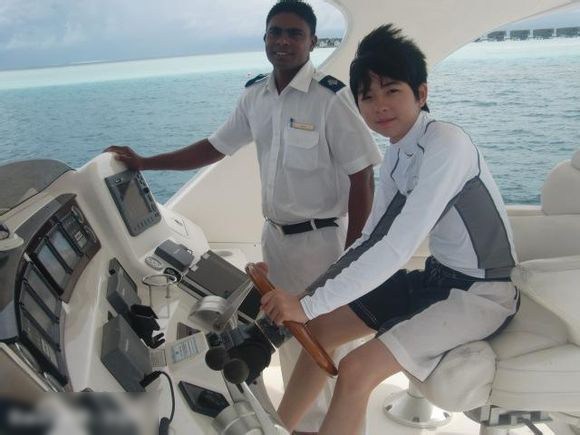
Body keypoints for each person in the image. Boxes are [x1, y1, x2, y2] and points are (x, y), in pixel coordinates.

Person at [105, 1, 381, 432]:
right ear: (265, 39)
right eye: (276, 32)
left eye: (294, 33)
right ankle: (302, 426)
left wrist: (352, 258)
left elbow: (362, 177)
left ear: (312, 41)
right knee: (289, 344)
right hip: (275, 241)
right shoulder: (256, 96)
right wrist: (146, 162)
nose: (283, 41)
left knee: (324, 350)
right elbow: (214, 147)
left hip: (322, 246)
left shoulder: (332, 99)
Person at [260, 24, 520, 435]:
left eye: (392, 90)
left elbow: (398, 245)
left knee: (356, 369)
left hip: (483, 294)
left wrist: (305, 304)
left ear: (421, 93)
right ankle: (274, 429)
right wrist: (307, 302)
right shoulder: (399, 154)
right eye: (367, 97)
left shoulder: (447, 144)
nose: (379, 106)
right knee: (317, 332)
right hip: (436, 279)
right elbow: (371, 239)